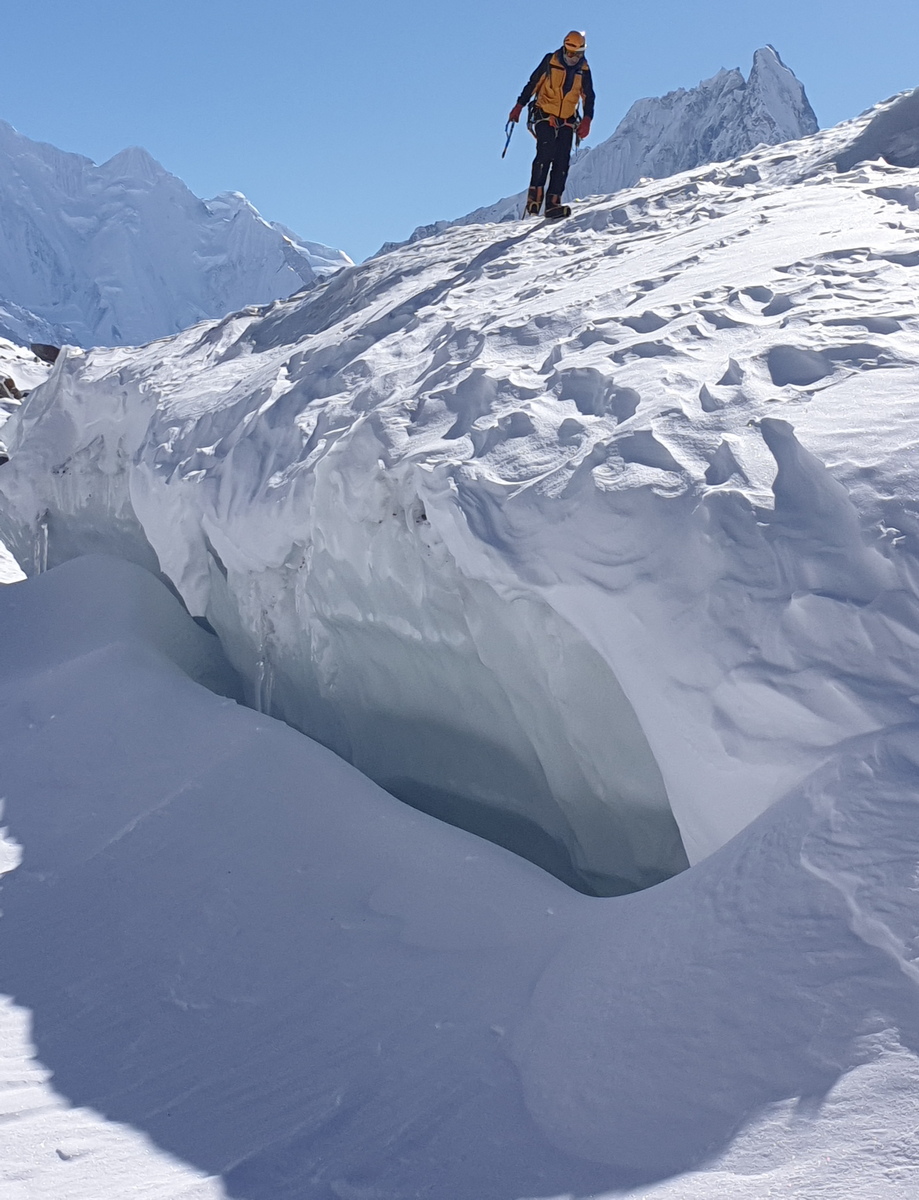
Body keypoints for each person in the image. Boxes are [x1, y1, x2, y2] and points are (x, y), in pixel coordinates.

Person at [508, 30, 594, 218]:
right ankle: (534, 199)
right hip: (544, 115)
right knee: (545, 152)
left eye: (577, 54)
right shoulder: (550, 62)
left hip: (567, 120)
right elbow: (532, 84)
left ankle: (553, 203)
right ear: (564, 49)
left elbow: (589, 96)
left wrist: (587, 119)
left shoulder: (584, 70)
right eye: (570, 53)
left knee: (562, 160)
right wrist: (519, 106)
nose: (573, 58)